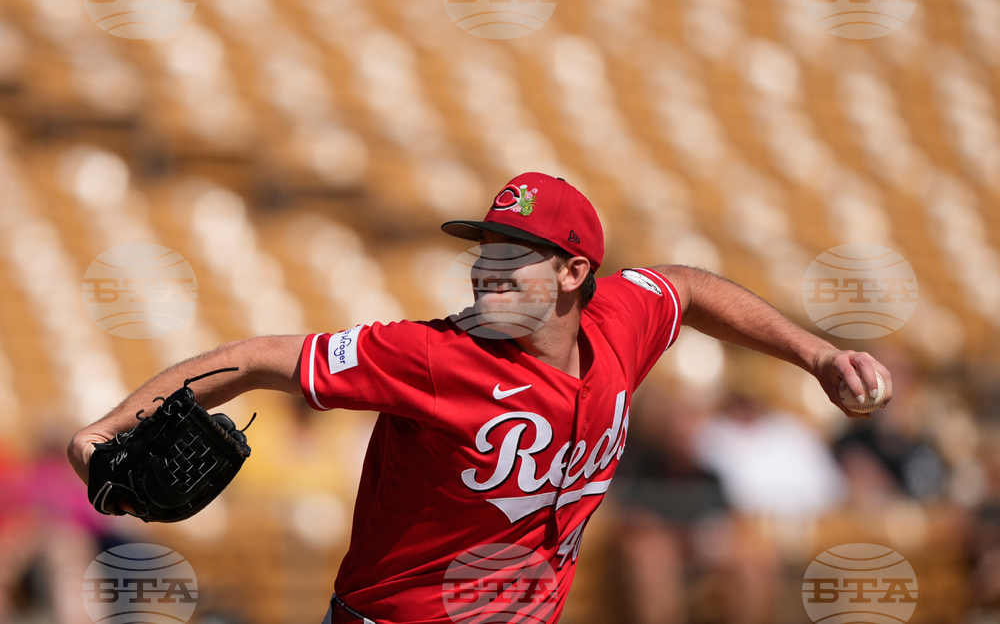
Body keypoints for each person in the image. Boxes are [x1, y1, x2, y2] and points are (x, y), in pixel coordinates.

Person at [68, 172, 893, 624]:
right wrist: (107, 429)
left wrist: (816, 354)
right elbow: (258, 359)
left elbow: (685, 286)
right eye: (484, 248)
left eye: (514, 254)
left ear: (574, 273)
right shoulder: (431, 355)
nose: (486, 268)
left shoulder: (621, 326)